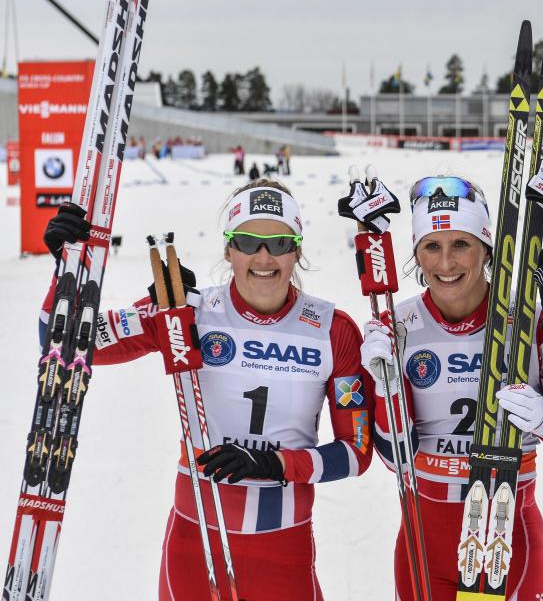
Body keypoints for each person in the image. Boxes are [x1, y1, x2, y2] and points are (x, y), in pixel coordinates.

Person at [41, 179, 373, 600]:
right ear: (228, 250)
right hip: (194, 542)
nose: (264, 257)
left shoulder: (333, 329)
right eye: (248, 242)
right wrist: (69, 272)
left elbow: (355, 453)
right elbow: (63, 342)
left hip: (283, 549)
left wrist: (276, 465)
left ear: (297, 251)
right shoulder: (184, 310)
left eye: (280, 243)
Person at [359, 174, 543, 600]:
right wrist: (387, 388)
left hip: (506, 531)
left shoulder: (528, 319)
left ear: (486, 248)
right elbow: (395, 460)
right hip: (426, 536)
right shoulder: (396, 328)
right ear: (417, 253)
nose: (446, 264)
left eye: (461, 244)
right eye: (432, 246)